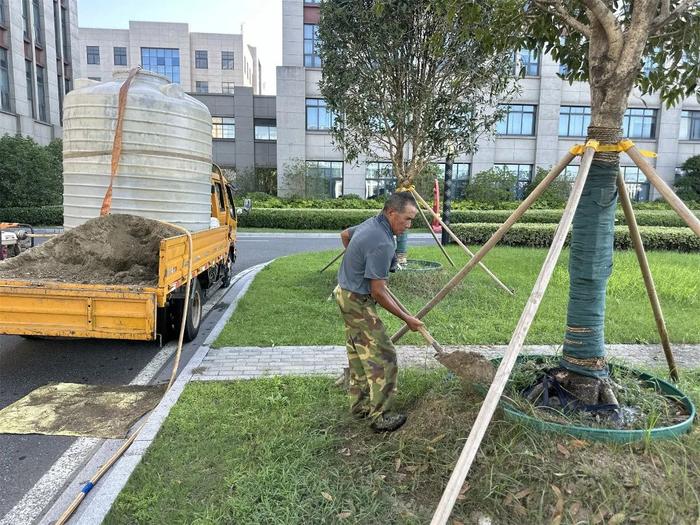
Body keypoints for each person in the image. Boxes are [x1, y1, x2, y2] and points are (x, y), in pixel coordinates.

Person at [334, 192, 424, 432]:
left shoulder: (372, 223)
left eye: (412, 220)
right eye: (406, 219)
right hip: (357, 300)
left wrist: (358, 263)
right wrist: (407, 319)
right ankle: (380, 416)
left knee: (359, 353)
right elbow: (378, 292)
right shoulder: (382, 242)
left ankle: (360, 406)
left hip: (343, 293)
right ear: (391, 212)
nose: (409, 225)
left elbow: (345, 235)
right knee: (384, 356)